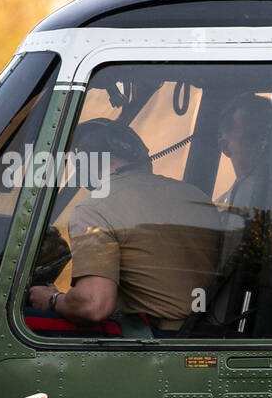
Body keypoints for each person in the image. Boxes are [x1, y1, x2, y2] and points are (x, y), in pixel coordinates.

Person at [27, 120, 230, 336]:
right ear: (143, 156)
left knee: (24, 322)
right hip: (203, 334)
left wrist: (52, 298)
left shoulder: (94, 207)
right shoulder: (197, 196)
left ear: (84, 163)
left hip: (152, 339)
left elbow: (93, 305)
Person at [218, 92, 272, 212]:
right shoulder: (216, 213)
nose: (264, 144)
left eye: (269, 136)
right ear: (225, 147)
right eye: (252, 137)